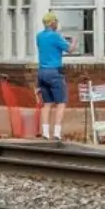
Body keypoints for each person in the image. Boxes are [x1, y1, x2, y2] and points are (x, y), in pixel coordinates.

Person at [36, 12, 76, 140]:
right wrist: (74, 41)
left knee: (47, 103)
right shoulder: (56, 36)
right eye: (56, 21)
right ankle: (57, 133)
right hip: (54, 72)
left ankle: (45, 133)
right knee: (61, 103)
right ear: (52, 22)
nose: (57, 23)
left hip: (42, 72)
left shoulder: (39, 36)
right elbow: (70, 49)